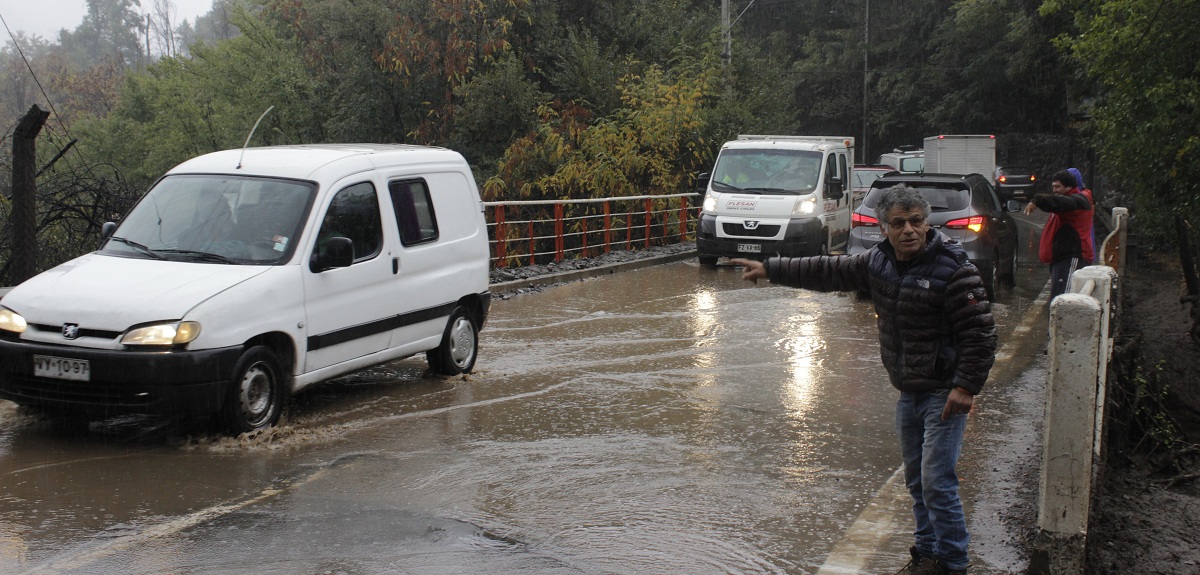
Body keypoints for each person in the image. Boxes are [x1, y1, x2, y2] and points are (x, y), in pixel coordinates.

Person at [732, 185, 996, 575]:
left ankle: (953, 564)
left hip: (944, 391)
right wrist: (771, 268)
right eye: (898, 223)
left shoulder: (955, 270)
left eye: (916, 222)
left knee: (937, 481)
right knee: (917, 480)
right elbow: (826, 270)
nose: (908, 230)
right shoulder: (877, 263)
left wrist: (965, 387)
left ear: (927, 225)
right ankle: (926, 554)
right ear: (884, 228)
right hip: (909, 391)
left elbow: (981, 333)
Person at [1022, 170, 1094, 300]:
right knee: (1056, 299)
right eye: (1053, 187)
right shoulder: (1068, 202)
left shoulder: (1077, 201)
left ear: (1069, 187)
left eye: (1058, 187)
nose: (1054, 190)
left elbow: (1059, 202)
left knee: (1063, 300)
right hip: (1061, 259)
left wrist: (1037, 200)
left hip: (1071, 257)